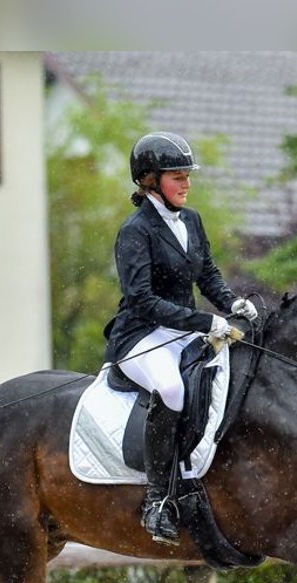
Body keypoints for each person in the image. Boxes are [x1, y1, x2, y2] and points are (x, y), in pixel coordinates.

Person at [103, 131, 258, 545]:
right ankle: (157, 500)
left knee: (224, 376)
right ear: (150, 180)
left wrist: (232, 303)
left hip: (182, 328)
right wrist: (205, 323)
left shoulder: (191, 220)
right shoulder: (135, 231)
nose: (186, 184)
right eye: (178, 176)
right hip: (141, 335)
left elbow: (206, 273)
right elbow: (142, 299)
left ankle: (199, 478)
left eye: (188, 176)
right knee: (171, 389)